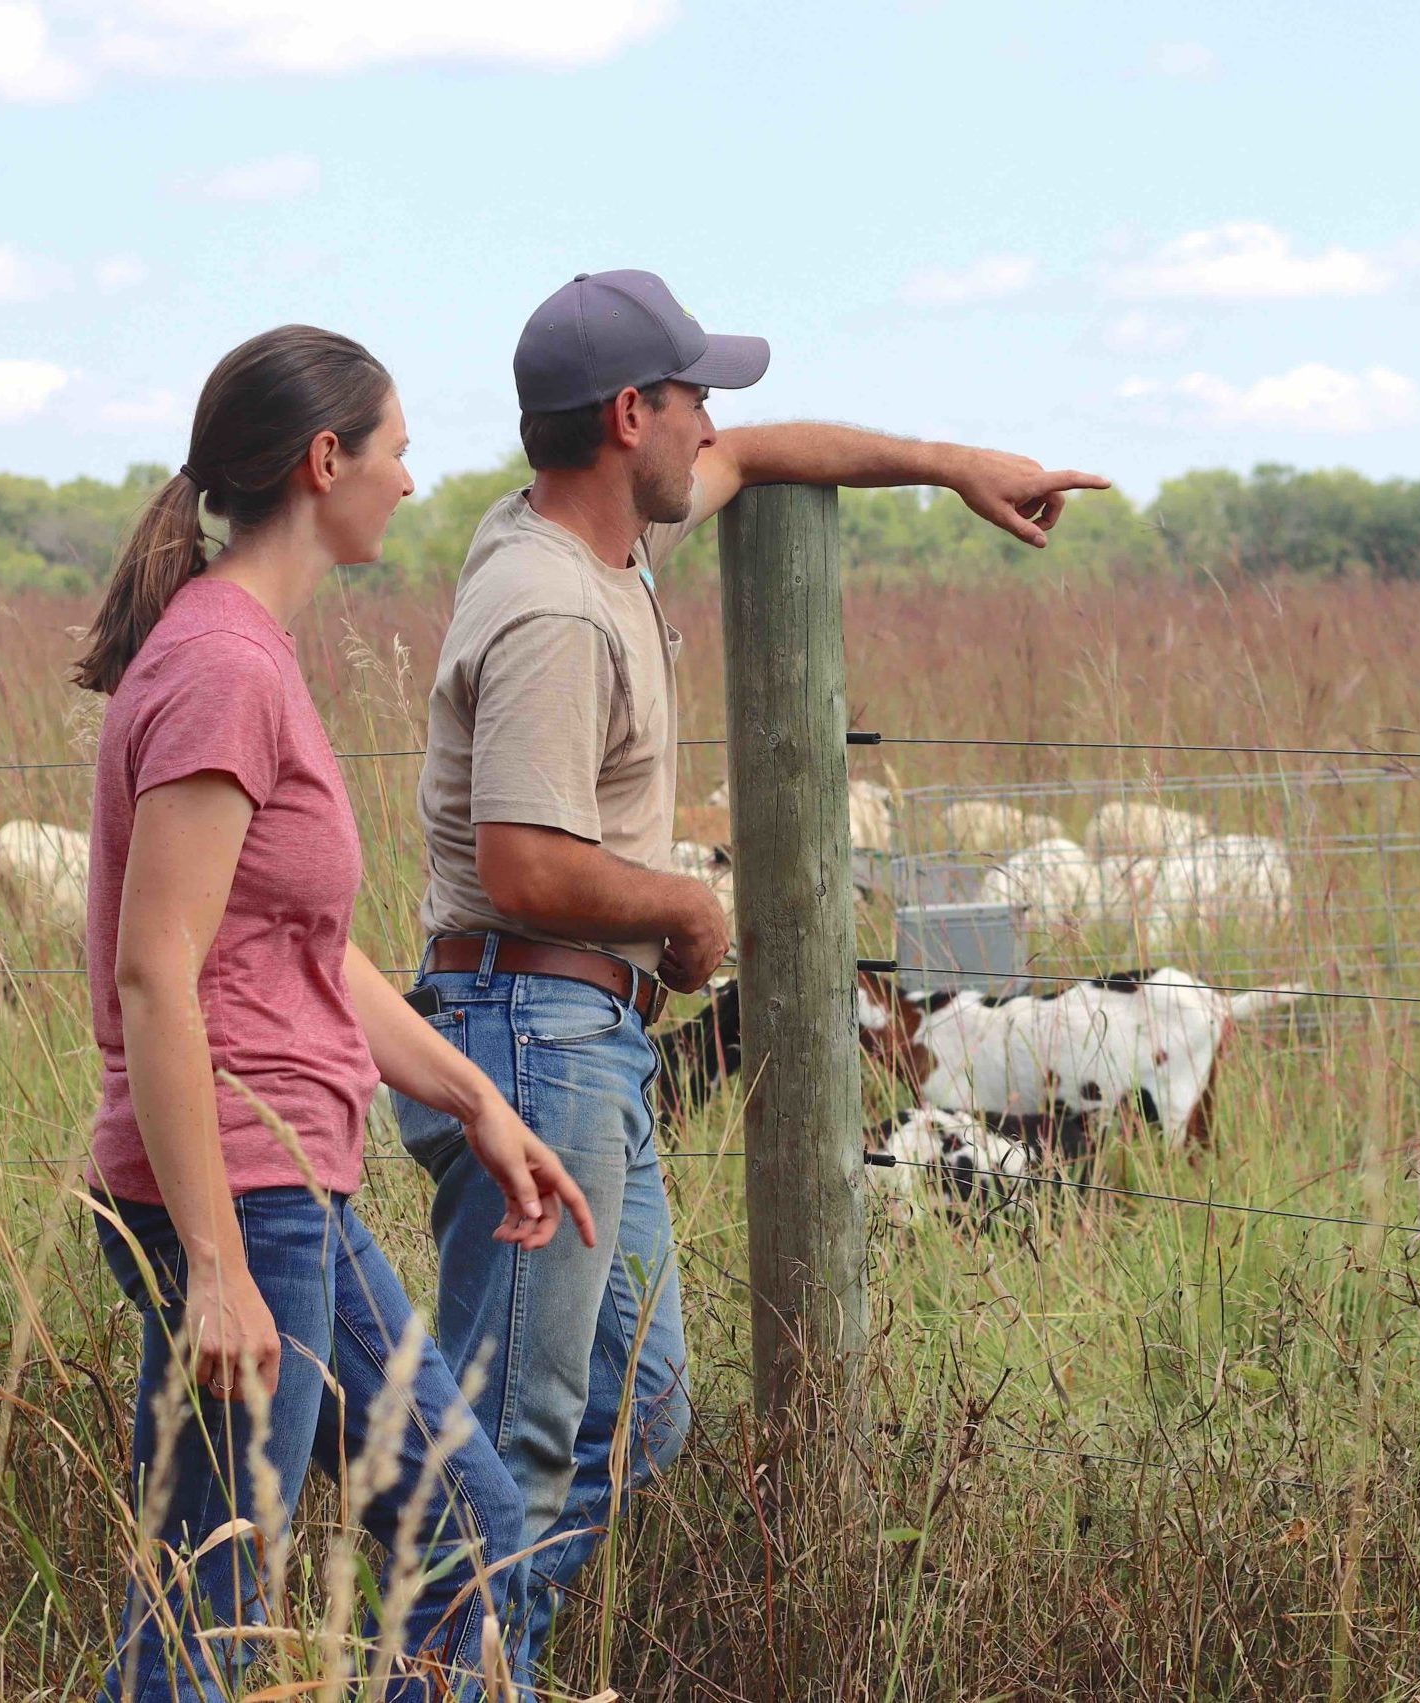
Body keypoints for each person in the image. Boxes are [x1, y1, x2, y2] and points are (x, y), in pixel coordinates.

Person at [395, 267, 1107, 1682]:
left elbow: (765, 456)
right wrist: (684, 913)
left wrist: (957, 468)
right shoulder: (554, 606)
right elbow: (527, 863)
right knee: (523, 1440)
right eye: (693, 395)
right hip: (533, 1036)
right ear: (627, 415)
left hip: (577, 1037)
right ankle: (446, 1670)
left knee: (636, 1413)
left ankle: (457, 1653)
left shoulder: (582, 530)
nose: (713, 419)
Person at [75, 324, 597, 1702]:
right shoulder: (223, 669)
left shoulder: (242, 652)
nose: (412, 482)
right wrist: (215, 1265)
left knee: (469, 1531)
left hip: (288, 1180)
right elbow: (155, 973)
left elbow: (307, 949)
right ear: (325, 462)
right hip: (239, 1193)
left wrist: (476, 1100)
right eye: (400, 451)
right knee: (211, 1607)